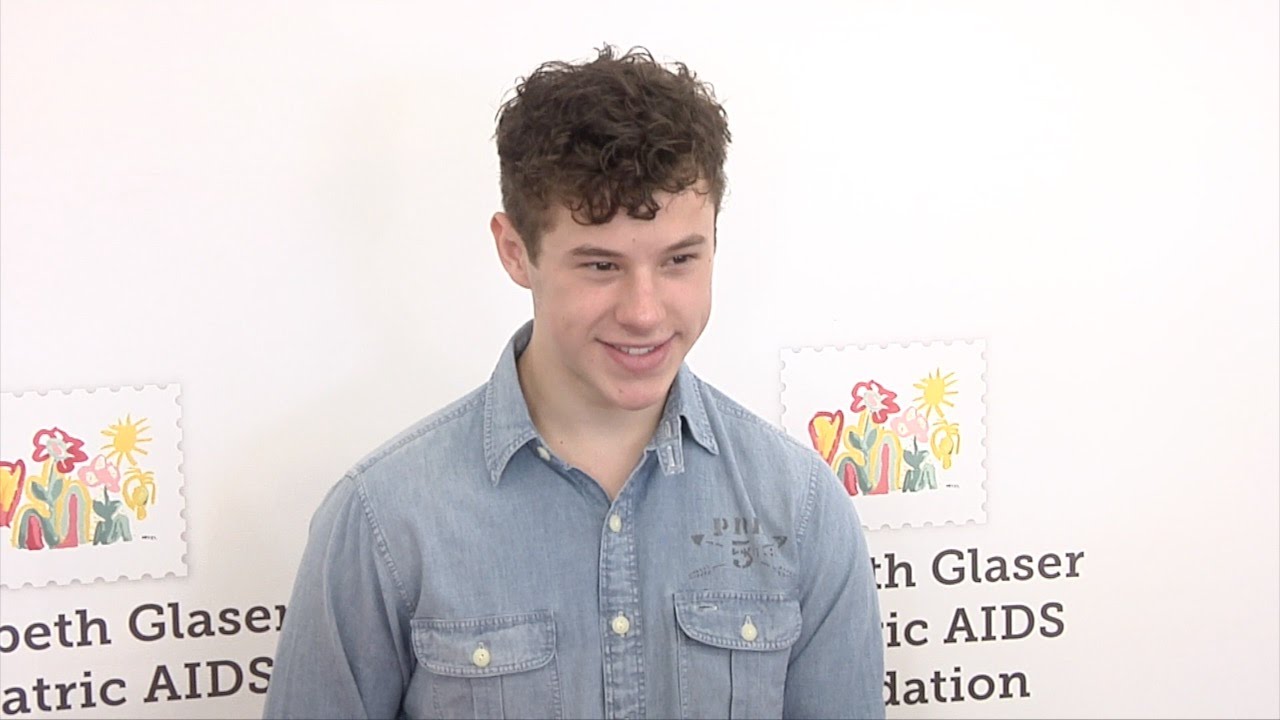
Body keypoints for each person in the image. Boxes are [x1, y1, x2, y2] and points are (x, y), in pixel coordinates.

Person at [263, 45, 885, 720]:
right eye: (600, 266)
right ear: (514, 252)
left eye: (679, 260)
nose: (645, 312)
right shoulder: (383, 519)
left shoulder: (800, 506)